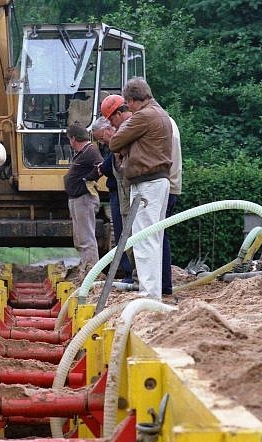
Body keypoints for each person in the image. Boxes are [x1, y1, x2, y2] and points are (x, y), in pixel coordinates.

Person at [108, 78, 173, 300]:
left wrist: (124, 146)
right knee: (152, 237)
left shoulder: (144, 116)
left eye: (128, 104)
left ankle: (148, 293)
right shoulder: (161, 113)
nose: (129, 109)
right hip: (158, 181)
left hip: (147, 182)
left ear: (134, 100)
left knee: (144, 239)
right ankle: (152, 292)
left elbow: (115, 143)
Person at [91, 116, 133, 283]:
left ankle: (129, 272)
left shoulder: (119, 145)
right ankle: (128, 273)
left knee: (125, 232)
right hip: (118, 192)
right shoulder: (114, 147)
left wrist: (102, 168)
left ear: (110, 130)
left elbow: (110, 167)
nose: (102, 142)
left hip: (121, 192)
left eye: (102, 138)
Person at [64, 124, 104, 273]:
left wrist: (87, 179)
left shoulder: (91, 151)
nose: (70, 142)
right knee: (81, 238)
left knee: (86, 238)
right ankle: (86, 267)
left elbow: (101, 166)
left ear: (74, 139)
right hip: (77, 198)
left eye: (69, 139)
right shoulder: (84, 152)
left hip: (84, 199)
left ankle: (92, 272)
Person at [162, 118, 182, 296]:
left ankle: (162, 285)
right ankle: (164, 284)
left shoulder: (160, 124)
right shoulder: (169, 122)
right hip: (172, 186)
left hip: (164, 187)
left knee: (157, 237)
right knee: (160, 235)